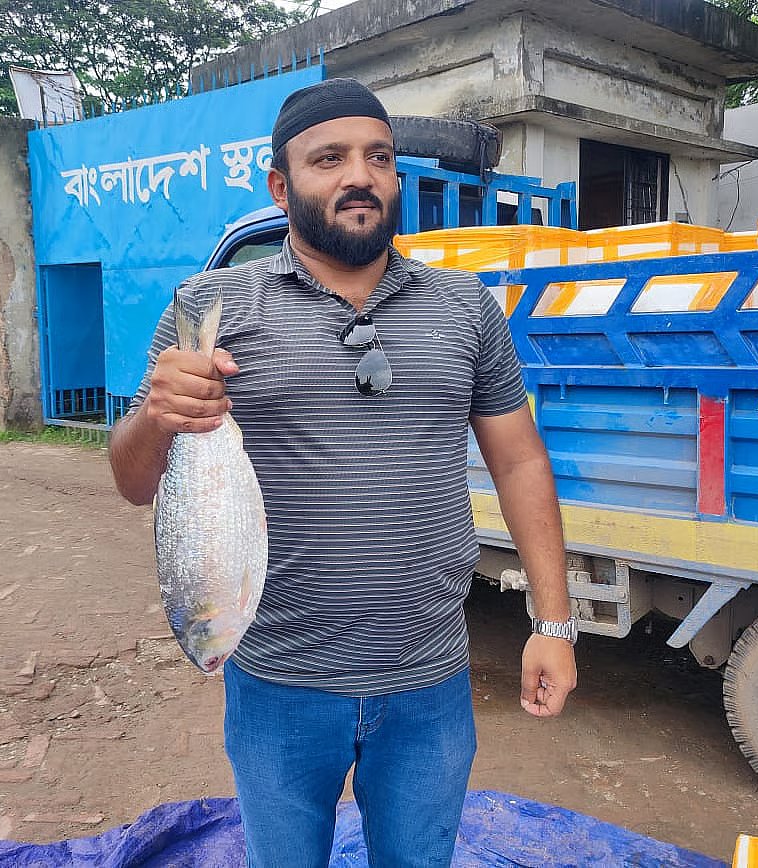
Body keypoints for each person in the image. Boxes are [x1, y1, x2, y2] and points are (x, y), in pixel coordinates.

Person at [109, 78, 576, 867]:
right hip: (277, 684)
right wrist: (157, 415)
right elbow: (133, 481)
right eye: (329, 159)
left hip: (429, 681)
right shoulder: (212, 305)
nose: (359, 175)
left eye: (378, 157)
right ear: (282, 187)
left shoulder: (466, 309)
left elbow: (522, 460)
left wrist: (553, 625)